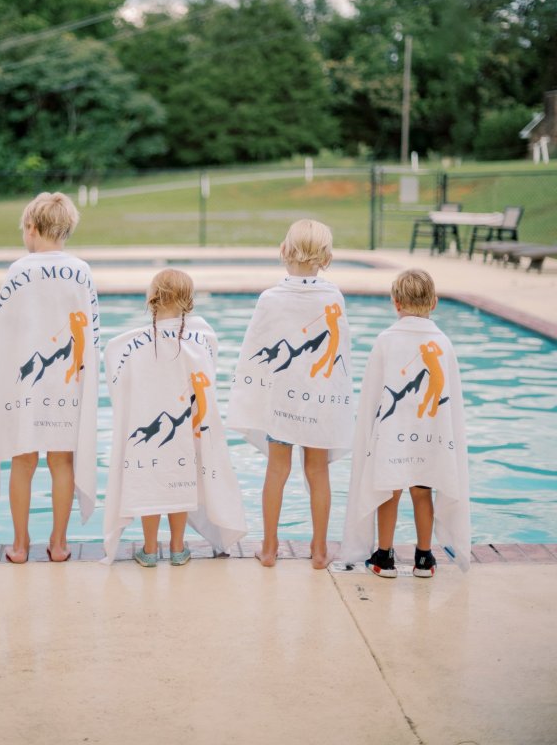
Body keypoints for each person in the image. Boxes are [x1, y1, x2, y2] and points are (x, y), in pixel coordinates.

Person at [0, 192, 99, 564]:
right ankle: (60, 542)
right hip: (66, 381)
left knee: (23, 460)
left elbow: (0, 330)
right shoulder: (81, 271)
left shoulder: (18, 270)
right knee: (61, 461)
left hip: (26, 381)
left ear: (31, 227)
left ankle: (19, 544)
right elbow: (91, 330)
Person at [228, 219, 354, 569]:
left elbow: (256, 352)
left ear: (284, 251)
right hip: (319, 400)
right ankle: (319, 550)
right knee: (318, 472)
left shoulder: (271, 298)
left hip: (280, 402)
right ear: (326, 258)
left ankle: (268, 548)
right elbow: (338, 355)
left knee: (276, 470)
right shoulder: (333, 296)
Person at [103, 269, 246, 566]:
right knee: (182, 483)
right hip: (185, 430)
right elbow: (207, 376)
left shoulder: (133, 345)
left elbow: (121, 384)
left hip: (152, 430)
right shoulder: (201, 338)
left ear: (152, 299)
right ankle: (178, 548)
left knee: (151, 484)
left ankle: (150, 549)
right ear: (188, 301)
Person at [340, 269, 470, 578]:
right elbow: (450, 403)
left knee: (390, 491)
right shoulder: (444, 342)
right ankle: (424, 557)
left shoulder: (386, 340)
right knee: (422, 491)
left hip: (392, 436)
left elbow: (374, 397)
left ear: (396, 303)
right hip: (429, 436)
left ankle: (384, 558)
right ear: (434, 303)